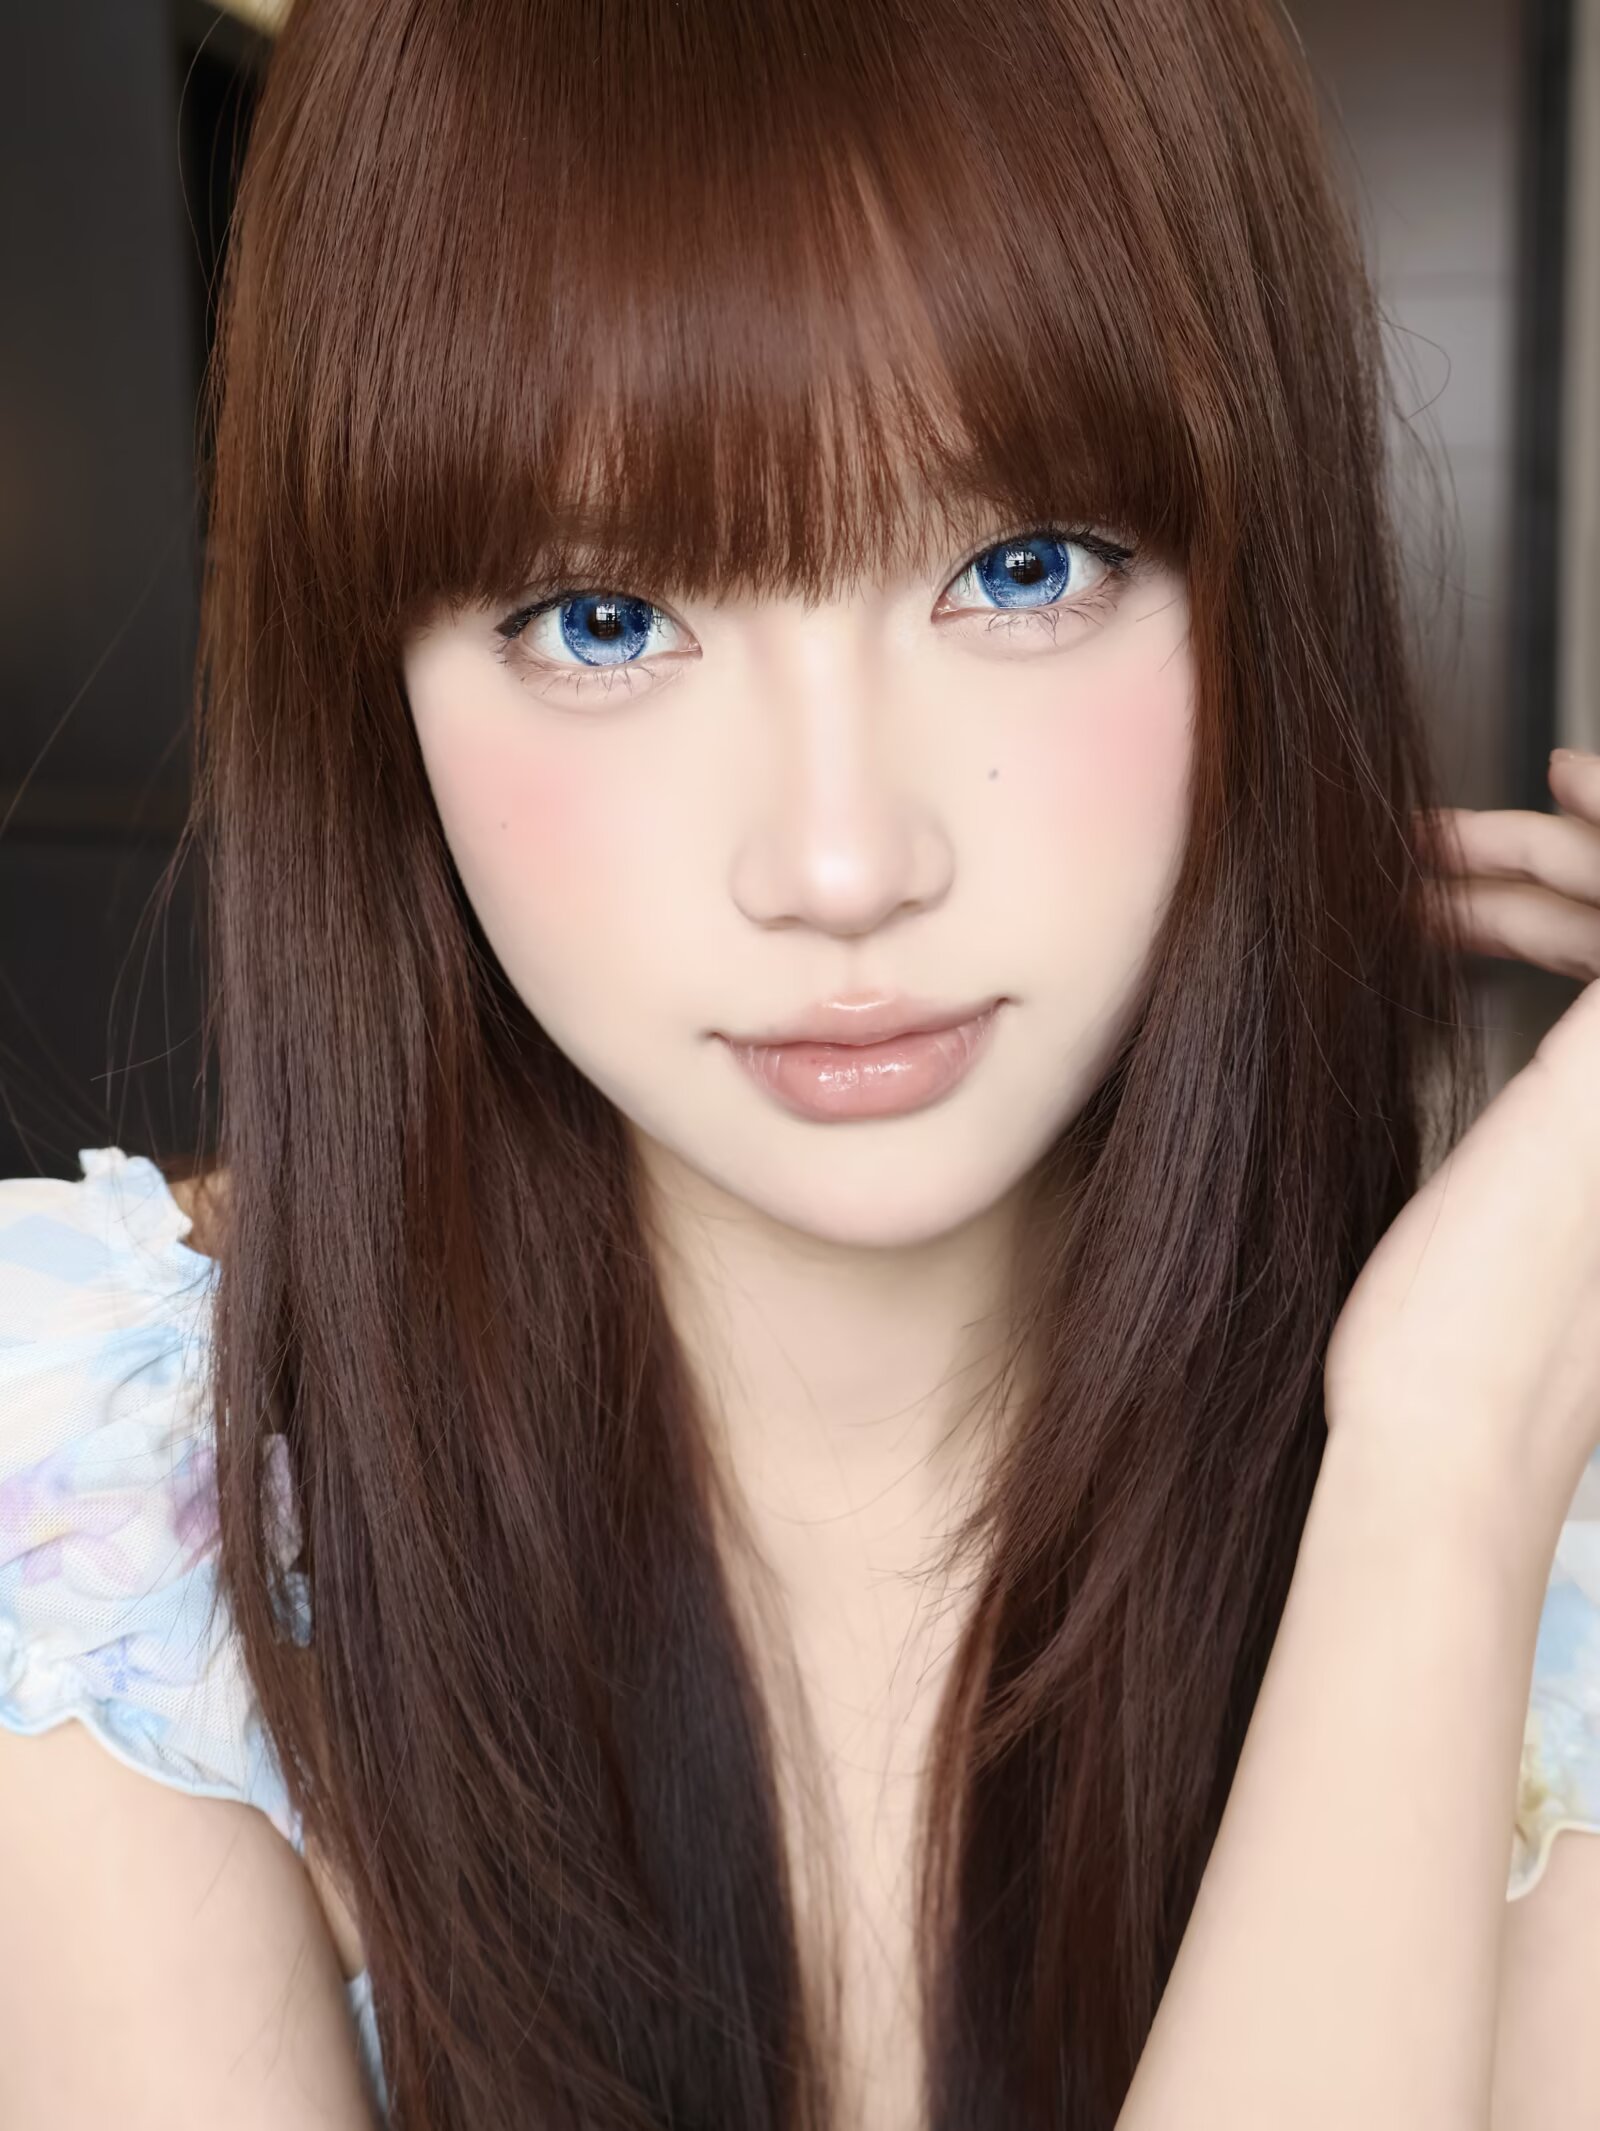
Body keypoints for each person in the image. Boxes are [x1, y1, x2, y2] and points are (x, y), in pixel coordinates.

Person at [2, 0, 1599, 2124]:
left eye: (1021, 569)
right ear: (366, 680)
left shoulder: (1537, 1525)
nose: (842, 863)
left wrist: (1447, 1454)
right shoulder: (108, 1503)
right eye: (603, 619)